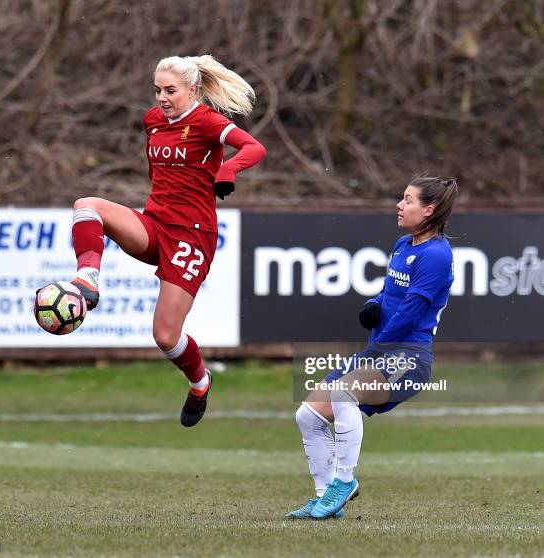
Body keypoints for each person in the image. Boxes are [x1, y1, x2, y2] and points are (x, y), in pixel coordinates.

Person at [68, 55, 266, 427]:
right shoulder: (153, 122)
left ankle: (200, 382)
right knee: (87, 206)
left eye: (170, 90)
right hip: (155, 224)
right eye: (157, 89)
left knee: (164, 335)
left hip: (192, 235)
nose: (161, 97)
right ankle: (87, 280)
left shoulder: (207, 121)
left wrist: (227, 170)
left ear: (192, 90)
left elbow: (254, 148)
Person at [287, 176, 458, 519]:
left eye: (407, 200)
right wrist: (373, 303)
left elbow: (411, 311)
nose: (399, 204)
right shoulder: (403, 244)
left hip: (408, 357)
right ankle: (326, 499)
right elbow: (391, 294)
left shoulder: (437, 254)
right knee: (307, 415)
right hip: (383, 350)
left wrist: (375, 348)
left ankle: (343, 482)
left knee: (344, 395)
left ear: (429, 210)